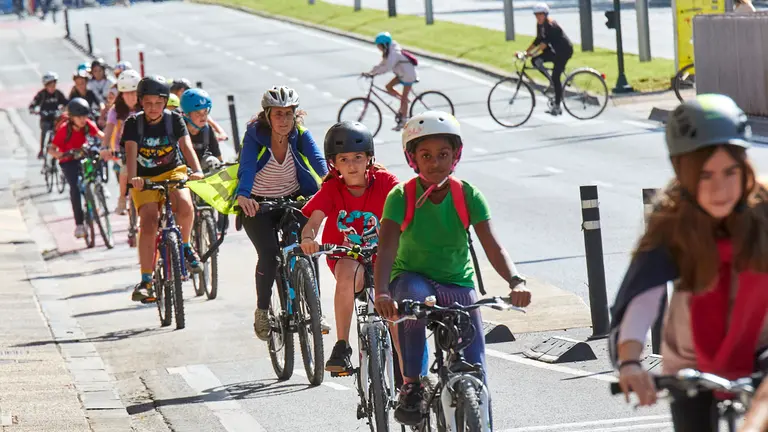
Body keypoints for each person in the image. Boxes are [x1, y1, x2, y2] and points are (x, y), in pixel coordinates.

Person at [608, 94, 768, 432]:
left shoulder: (764, 208)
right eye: (705, 175)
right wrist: (630, 361)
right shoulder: (671, 221)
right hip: (690, 360)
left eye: (730, 172)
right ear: (682, 172)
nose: (720, 188)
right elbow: (643, 297)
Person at [373, 111, 531, 426]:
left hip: (457, 284)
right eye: (426, 155)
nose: (435, 163)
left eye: (443, 154)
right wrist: (382, 292)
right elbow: (387, 248)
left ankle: (480, 419)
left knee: (476, 368)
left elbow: (493, 246)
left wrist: (516, 281)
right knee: (413, 300)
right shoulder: (401, 196)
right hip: (414, 279)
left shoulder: (467, 195)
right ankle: (412, 385)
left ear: (455, 155)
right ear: (413, 159)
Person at [299, 121, 399, 373]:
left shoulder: (386, 182)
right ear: (334, 163)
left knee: (395, 309)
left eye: (358, 157)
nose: (352, 165)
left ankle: (408, 367)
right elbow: (313, 223)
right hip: (347, 256)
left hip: (384, 256)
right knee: (347, 272)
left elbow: (408, 210)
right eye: (344, 159)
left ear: (369, 158)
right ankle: (342, 346)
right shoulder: (332, 188)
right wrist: (308, 240)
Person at [236, 85, 329, 340]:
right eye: (278, 114)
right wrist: (244, 195)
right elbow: (246, 167)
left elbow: (319, 161)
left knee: (306, 247)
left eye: (289, 114)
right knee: (270, 255)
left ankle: (316, 310)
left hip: (294, 199)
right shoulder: (254, 135)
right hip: (259, 204)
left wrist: (331, 181)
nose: (284, 120)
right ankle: (262, 311)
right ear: (267, 115)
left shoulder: (300, 134)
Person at [122, 75, 204, 303]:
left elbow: (186, 146)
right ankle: (146, 280)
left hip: (172, 171)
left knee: (185, 205)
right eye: (148, 103)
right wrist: (134, 179)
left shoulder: (174, 120)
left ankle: (185, 247)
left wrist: (197, 170)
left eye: (158, 103)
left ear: (166, 102)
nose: (153, 108)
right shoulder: (133, 124)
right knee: (148, 222)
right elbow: (130, 153)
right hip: (144, 178)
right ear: (140, 102)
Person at [49, 98, 104, 238]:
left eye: (85, 116)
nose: (83, 120)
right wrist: (59, 154)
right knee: (75, 188)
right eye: (79, 117)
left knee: (94, 170)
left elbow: (101, 135)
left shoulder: (88, 125)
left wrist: (110, 145)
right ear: (72, 118)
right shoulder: (64, 130)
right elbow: (51, 148)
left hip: (83, 156)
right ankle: (79, 224)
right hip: (68, 161)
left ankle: (95, 195)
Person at [100, 69, 141, 215]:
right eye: (127, 93)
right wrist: (104, 147)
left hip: (145, 146)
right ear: (121, 94)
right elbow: (109, 130)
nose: (131, 97)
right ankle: (122, 198)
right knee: (125, 170)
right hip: (123, 148)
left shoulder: (146, 107)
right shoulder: (115, 110)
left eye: (134, 93)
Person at [520, 2, 573, 116]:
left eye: (540, 14)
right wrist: (525, 52)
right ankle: (552, 82)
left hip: (563, 51)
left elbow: (543, 45)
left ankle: (557, 106)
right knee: (535, 61)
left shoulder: (550, 25)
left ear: (545, 14)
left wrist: (531, 53)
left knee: (556, 76)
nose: (538, 17)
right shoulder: (540, 25)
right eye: (536, 15)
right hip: (554, 51)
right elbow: (538, 40)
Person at [365, 31, 419, 131]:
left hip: (408, 75)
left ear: (384, 44)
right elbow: (382, 64)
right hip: (402, 74)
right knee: (388, 87)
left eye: (379, 46)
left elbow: (387, 67)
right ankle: (405, 101)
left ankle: (403, 121)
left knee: (403, 98)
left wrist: (375, 74)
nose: (378, 48)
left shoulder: (394, 53)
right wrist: (370, 72)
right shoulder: (388, 51)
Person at [29, 71, 68, 159]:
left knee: (60, 130)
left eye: (54, 85)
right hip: (45, 119)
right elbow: (32, 105)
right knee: (45, 129)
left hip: (56, 119)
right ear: (46, 85)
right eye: (50, 85)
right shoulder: (41, 94)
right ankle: (41, 150)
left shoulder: (58, 93)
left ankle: (58, 150)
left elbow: (66, 102)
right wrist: (35, 111)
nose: (52, 87)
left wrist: (64, 109)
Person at [180, 88, 221, 167]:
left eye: (205, 111)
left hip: (202, 168)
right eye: (197, 112)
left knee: (213, 161)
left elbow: (218, 156)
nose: (203, 116)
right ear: (187, 114)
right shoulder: (178, 128)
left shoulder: (207, 129)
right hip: (182, 168)